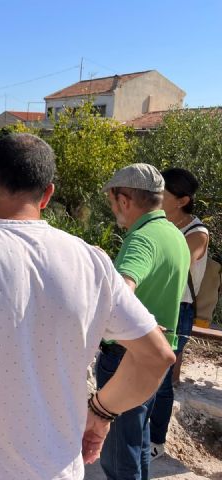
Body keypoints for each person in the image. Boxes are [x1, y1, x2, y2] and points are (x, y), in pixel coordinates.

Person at [0, 133, 176, 480]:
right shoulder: (92, 263)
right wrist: (102, 412)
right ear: (47, 195)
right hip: (56, 468)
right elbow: (157, 356)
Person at [97, 163, 190, 479]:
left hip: (127, 358)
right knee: (136, 444)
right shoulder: (174, 235)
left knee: (118, 454)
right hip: (158, 357)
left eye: (112, 201)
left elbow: (121, 293)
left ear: (124, 200)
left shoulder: (142, 240)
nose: (114, 210)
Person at [149, 167, 209, 460]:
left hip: (177, 309)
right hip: (150, 304)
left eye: (163, 192)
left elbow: (177, 263)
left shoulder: (197, 232)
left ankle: (156, 440)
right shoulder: (158, 222)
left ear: (182, 200)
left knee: (160, 380)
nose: (156, 195)